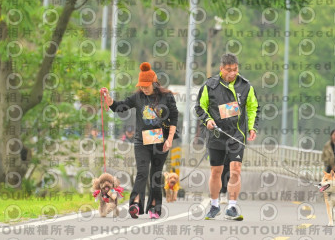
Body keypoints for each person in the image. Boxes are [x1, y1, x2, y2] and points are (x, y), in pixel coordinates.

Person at [104, 62, 178, 220]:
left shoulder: (167, 97)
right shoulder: (138, 97)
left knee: (155, 175)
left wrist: (170, 139)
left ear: (154, 82)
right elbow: (121, 107)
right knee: (142, 172)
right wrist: (110, 101)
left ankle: (154, 207)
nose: (144, 89)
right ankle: (135, 204)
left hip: (161, 141)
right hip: (141, 141)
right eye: (142, 86)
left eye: (147, 86)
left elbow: (174, 118)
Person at [195, 53, 259, 221]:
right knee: (216, 171)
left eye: (235, 69)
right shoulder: (210, 85)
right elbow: (200, 107)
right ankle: (214, 205)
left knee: (235, 170)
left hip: (237, 135)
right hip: (216, 134)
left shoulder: (245, 86)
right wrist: (207, 120)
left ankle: (231, 207)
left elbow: (253, 107)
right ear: (221, 69)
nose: (232, 73)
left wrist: (252, 127)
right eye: (229, 70)